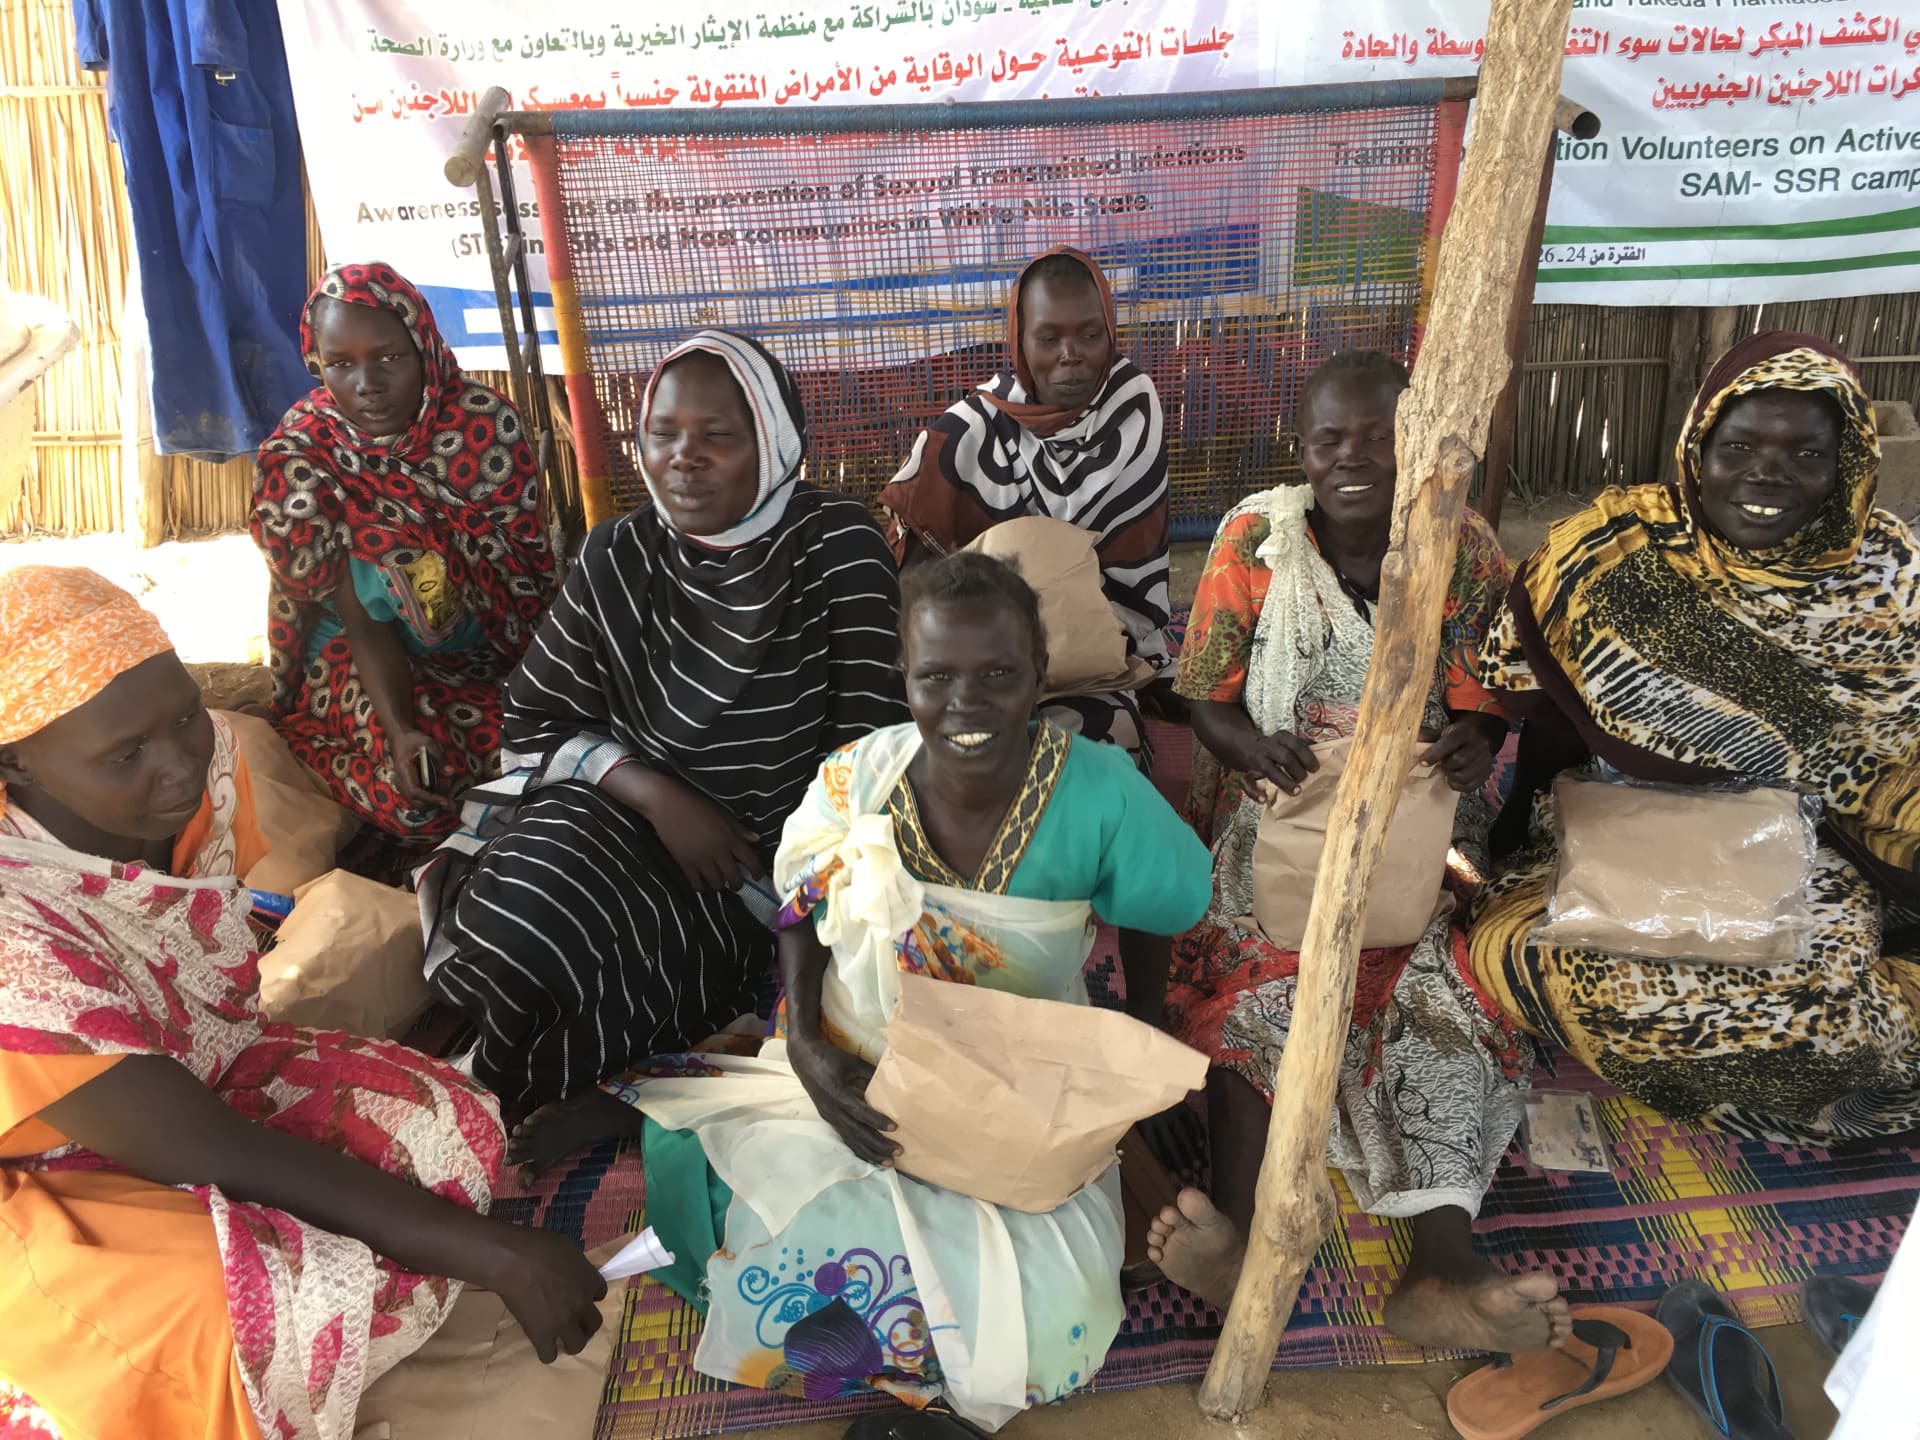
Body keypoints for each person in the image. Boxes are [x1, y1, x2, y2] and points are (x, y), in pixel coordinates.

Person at [514, 552, 1213, 1432]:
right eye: (936, 677)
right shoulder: (859, 779)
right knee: (765, 1252)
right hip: (859, 1071)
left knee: (1059, 1335)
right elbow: (801, 908)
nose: (966, 705)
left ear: (1040, 676)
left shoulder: (1102, 795)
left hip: (1017, 1087)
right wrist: (807, 1047)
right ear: (904, 676)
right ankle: (688, 1109)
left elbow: (1164, 909)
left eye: (998, 675)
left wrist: (1131, 1054)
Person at [0, 566, 605, 1440]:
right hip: (45, 1167)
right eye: (126, 755)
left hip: (184, 1077)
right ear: (18, 760)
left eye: (183, 719)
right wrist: (494, 1251)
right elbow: (205, 1147)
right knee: (225, 1314)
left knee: (443, 1122)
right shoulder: (15, 930)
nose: (179, 766)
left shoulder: (193, 792)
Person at [1146, 352, 1568, 1355]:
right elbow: (1201, 699)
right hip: (1278, 822)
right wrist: (1251, 745)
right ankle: (1247, 1242)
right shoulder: (1256, 538)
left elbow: (1486, 706)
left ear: (1414, 446)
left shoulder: (1459, 551)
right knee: (1251, 997)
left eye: (1378, 438)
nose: (1354, 459)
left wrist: (1480, 742)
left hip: (1414, 837)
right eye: (1330, 440)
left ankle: (1442, 1264)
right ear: (1302, 451)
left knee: (1448, 997)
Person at [422, 330, 907, 1113]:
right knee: (522, 920)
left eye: (718, 436)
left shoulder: (836, 548)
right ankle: (534, 1083)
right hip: (625, 820)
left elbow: (872, 758)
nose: (684, 457)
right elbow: (534, 719)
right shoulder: (620, 554)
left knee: (632, 967)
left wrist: (777, 868)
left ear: (774, 443)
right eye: (663, 433)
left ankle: (581, 1095)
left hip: (764, 873)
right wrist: (655, 797)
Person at [1470, 331, 1920, 1144]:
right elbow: (1536, 722)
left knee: (1814, 1013)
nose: (1767, 473)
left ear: (1844, 467)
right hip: (1617, 832)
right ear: (1697, 448)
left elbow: (1891, 756)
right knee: (1535, 963)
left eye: (1805, 453)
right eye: (1739, 445)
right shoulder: (1609, 557)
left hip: (1801, 848)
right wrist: (1516, 840)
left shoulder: (1885, 575)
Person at [250, 262, 556, 843]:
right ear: (319, 365)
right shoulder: (308, 453)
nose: (367, 383)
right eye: (341, 364)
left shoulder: (483, 429)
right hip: (358, 653)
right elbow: (363, 621)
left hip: (480, 651)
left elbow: (523, 586)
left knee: (531, 762)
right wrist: (399, 729)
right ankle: (323, 738)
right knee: (420, 788)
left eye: (388, 357)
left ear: (424, 348)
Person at [878, 246, 1181, 764]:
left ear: (1110, 331)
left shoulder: (1132, 405)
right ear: (1019, 340)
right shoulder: (974, 428)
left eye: (1090, 334)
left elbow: (1135, 564)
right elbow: (913, 570)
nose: (1072, 353)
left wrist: (1066, 643)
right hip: (976, 653)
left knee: (1103, 745)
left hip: (1092, 651)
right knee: (940, 749)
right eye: (1049, 337)